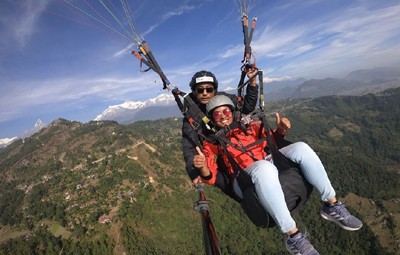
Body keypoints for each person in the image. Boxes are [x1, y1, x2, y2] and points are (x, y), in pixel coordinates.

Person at [193, 95, 363, 255]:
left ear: (232, 112)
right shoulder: (212, 143)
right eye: (217, 114)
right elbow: (212, 177)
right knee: (264, 167)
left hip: (267, 164)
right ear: (212, 118)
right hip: (243, 178)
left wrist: (280, 131)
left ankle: (331, 204)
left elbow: (272, 142)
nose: (223, 116)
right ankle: (294, 237)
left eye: (226, 111)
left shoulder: (249, 127)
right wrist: (202, 167)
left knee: (301, 148)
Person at [181, 69, 259, 196]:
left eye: (209, 89)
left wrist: (252, 83)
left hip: (237, 146)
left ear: (215, 90)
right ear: (194, 92)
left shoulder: (225, 99)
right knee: (233, 187)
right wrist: (194, 173)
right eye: (200, 90)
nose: (205, 93)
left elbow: (246, 107)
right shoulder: (192, 115)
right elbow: (189, 146)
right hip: (216, 155)